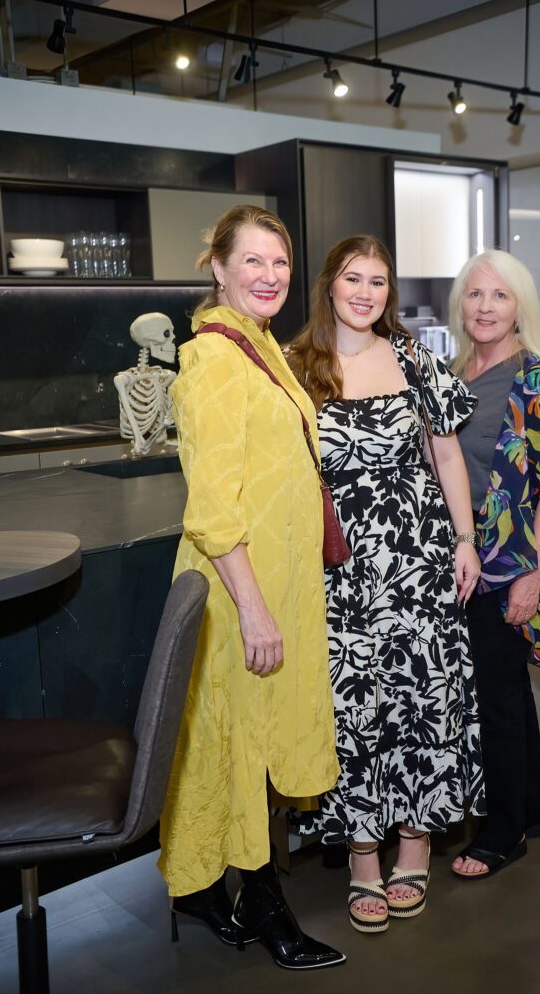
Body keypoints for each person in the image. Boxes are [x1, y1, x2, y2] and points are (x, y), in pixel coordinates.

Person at [158, 205, 345, 970]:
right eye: (253, 262)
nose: (270, 276)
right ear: (218, 267)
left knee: (234, 744)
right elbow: (211, 504)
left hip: (278, 585)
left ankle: (198, 893)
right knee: (241, 749)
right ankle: (264, 905)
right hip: (240, 591)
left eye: (281, 263)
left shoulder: (259, 345)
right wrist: (255, 606)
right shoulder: (211, 359)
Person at [287, 235, 485, 933]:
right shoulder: (294, 368)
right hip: (337, 573)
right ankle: (363, 859)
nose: (366, 292)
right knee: (353, 712)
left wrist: (464, 541)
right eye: (352, 278)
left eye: (377, 281)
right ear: (328, 287)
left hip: (419, 561)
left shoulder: (411, 357)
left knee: (420, 702)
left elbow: (446, 452)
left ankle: (416, 844)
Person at [448, 250, 540, 880]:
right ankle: (535, 807)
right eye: (475, 295)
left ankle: (503, 834)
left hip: (508, 565)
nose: (485, 307)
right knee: (507, 688)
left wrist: (532, 575)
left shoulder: (539, 380)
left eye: (499, 296)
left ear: (520, 305)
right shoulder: (455, 371)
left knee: (494, 695)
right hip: (464, 558)